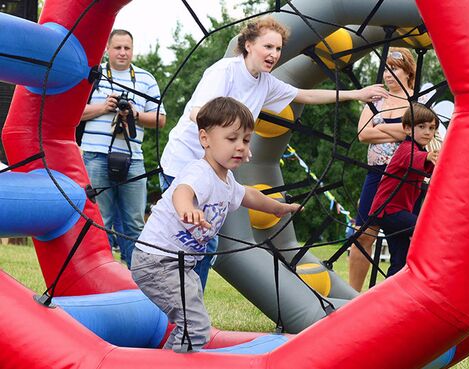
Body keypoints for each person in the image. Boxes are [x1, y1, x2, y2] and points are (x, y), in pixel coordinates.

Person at [159, 17, 388, 290]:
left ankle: (188, 307)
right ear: (247, 45)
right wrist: (233, 139)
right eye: (268, 46)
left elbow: (304, 95)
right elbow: (198, 111)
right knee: (190, 241)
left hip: (215, 172)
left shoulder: (265, 83)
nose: (274, 55)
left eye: (278, 49)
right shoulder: (226, 71)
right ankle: (176, 304)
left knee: (206, 243)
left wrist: (355, 93)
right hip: (184, 164)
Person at [131, 97, 300, 351]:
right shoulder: (200, 172)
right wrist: (187, 209)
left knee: (192, 327)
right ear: (205, 139)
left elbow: (248, 195)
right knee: (196, 328)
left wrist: (277, 207)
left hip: (178, 265)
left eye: (245, 139)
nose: (240, 146)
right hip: (157, 262)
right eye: (231, 139)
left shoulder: (227, 180)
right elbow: (182, 192)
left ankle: (167, 360)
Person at [80, 29, 166, 268]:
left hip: (133, 157)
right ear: (107, 49)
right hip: (95, 154)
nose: (122, 53)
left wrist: (135, 113)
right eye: (117, 47)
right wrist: (103, 107)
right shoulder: (92, 76)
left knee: (134, 222)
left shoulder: (146, 78)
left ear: (133, 49)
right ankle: (101, 272)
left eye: (127, 48)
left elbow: (161, 119)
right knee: (100, 219)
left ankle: (135, 275)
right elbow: (72, 114)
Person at [348, 47, 418, 292]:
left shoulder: (417, 100)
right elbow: (363, 134)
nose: (389, 75)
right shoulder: (376, 98)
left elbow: (417, 132)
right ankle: (351, 296)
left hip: (407, 178)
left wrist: (382, 128)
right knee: (363, 236)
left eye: (394, 69)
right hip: (376, 174)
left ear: (408, 71)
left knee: (401, 240)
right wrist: (398, 129)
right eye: (386, 69)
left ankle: (393, 297)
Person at [368, 103, 439, 277]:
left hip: (393, 213)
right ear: (407, 128)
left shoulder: (419, 151)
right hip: (389, 211)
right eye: (421, 127)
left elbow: (434, 170)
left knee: (399, 261)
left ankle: (389, 295)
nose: (427, 132)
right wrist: (430, 155)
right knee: (425, 229)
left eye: (432, 128)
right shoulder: (407, 149)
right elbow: (412, 158)